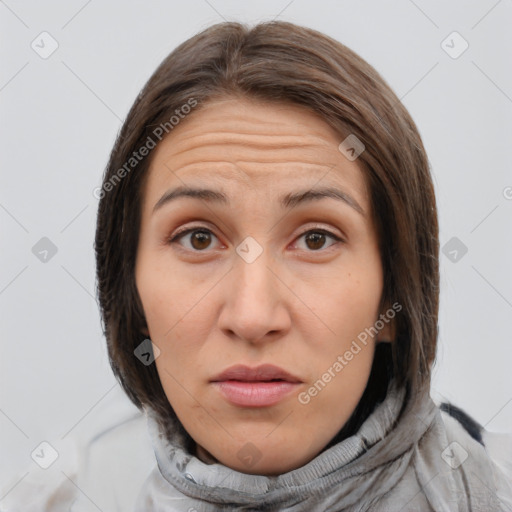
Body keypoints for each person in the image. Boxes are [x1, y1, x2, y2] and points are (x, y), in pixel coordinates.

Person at [2, 20, 511, 512]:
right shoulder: (65, 498)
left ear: (394, 298)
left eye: (316, 239)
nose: (251, 316)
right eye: (198, 238)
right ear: (130, 294)